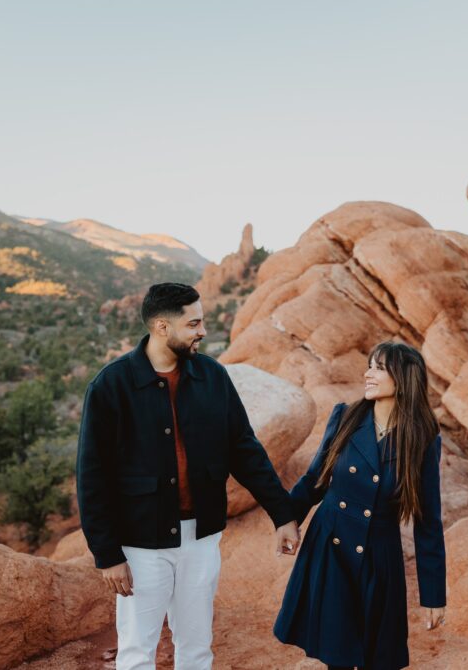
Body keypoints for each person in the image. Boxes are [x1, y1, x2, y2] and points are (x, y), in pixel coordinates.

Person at [76, 282, 301, 670]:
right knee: (136, 651)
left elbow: (245, 450)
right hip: (141, 543)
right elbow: (92, 476)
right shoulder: (111, 385)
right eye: (194, 323)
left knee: (197, 647)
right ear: (162, 327)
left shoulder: (212, 377)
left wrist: (282, 513)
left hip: (201, 538)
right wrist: (107, 554)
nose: (202, 331)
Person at [274, 341, 446, 670]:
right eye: (370, 366)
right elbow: (315, 479)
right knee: (336, 651)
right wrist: (286, 520)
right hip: (330, 545)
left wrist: (433, 596)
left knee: (376, 657)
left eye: (378, 368)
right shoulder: (345, 417)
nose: (368, 374)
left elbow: (428, 523)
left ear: (404, 377)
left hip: (378, 557)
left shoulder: (423, 439)